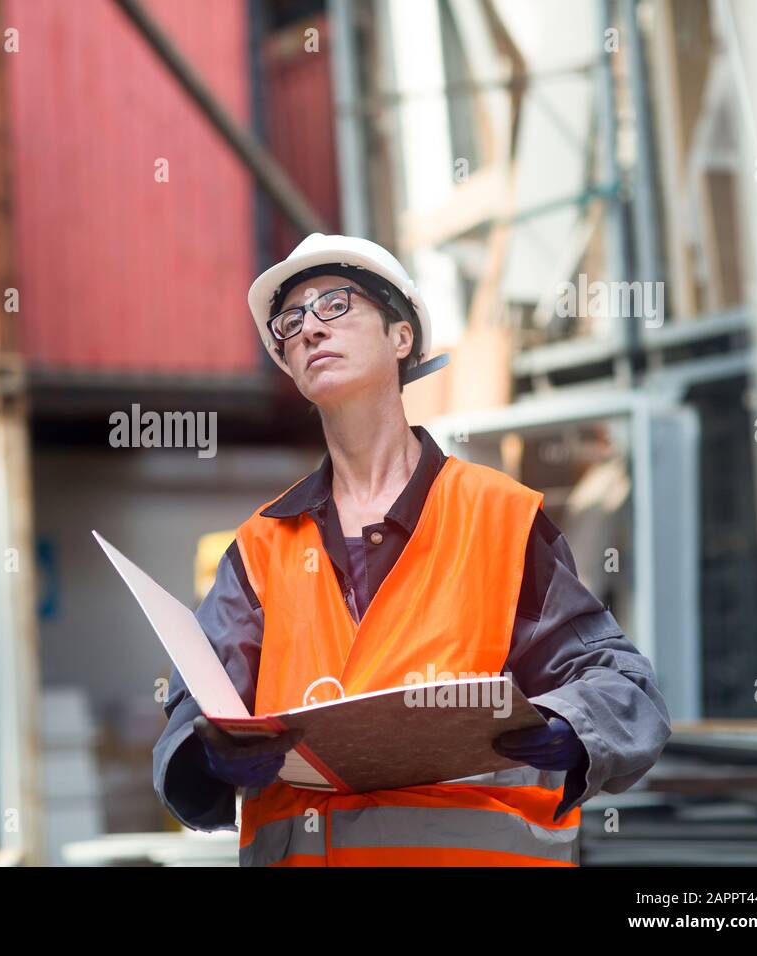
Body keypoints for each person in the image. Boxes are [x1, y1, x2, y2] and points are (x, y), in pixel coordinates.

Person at [152, 233, 671, 866]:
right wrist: (209, 753)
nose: (310, 328)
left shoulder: (497, 518)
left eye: (336, 304)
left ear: (402, 337)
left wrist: (570, 726)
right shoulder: (260, 549)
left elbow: (619, 682)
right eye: (291, 322)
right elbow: (194, 710)